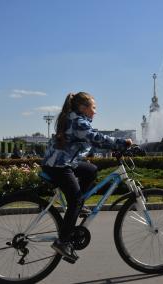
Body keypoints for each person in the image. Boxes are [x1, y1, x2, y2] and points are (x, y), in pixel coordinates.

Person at [41, 92, 132, 263]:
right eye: (93, 107)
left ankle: (78, 206)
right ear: (83, 108)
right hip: (59, 165)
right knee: (74, 199)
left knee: (90, 170)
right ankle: (63, 242)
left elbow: (92, 140)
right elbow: (96, 138)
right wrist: (122, 143)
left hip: (59, 162)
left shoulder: (75, 118)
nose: (95, 111)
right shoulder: (78, 122)